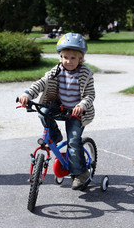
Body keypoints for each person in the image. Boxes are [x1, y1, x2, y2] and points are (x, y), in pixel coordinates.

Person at [19, 33, 95, 190]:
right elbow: (40, 83)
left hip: (76, 113)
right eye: (65, 57)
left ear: (80, 59)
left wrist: (81, 105)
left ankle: (80, 173)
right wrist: (27, 94)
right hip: (59, 107)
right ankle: (55, 134)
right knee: (42, 110)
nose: (68, 61)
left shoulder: (86, 74)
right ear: (60, 57)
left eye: (73, 58)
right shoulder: (56, 71)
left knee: (74, 140)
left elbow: (90, 95)